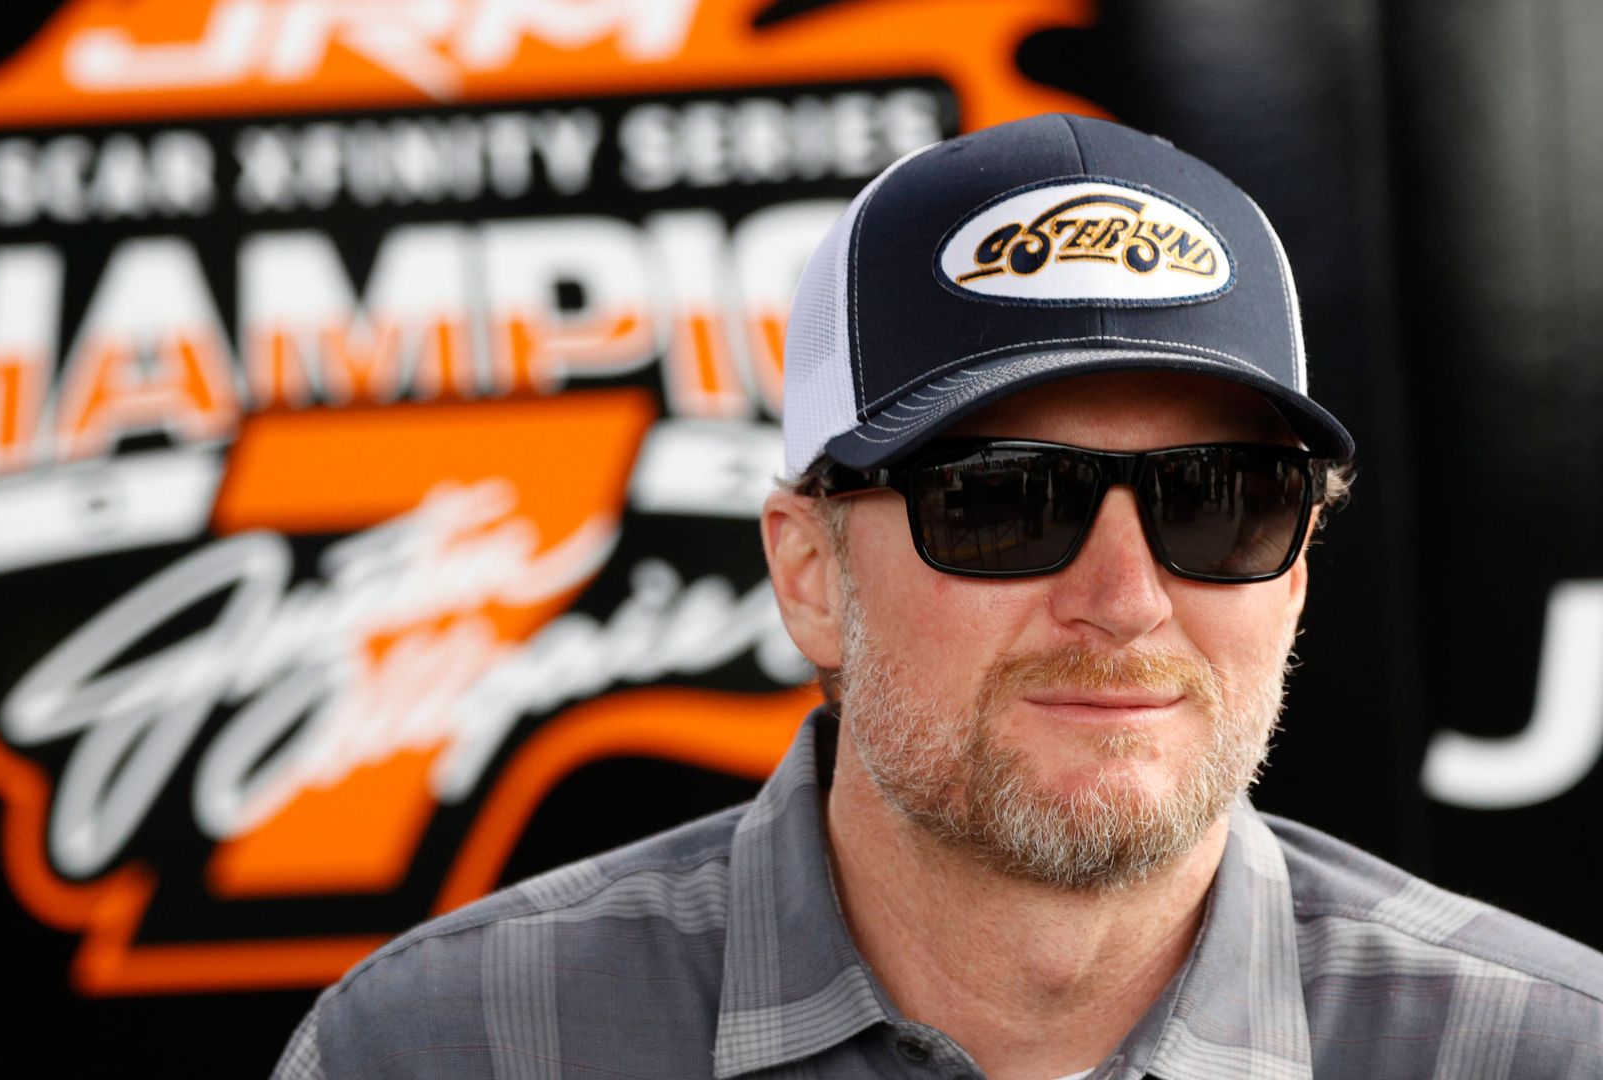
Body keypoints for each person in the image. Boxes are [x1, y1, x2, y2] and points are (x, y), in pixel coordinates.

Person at [273, 115, 1603, 1079]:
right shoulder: (441, 1050)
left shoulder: (1545, 1050)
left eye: (1221, 498)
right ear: (809, 574)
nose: (1127, 598)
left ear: (1299, 566)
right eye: (1005, 500)